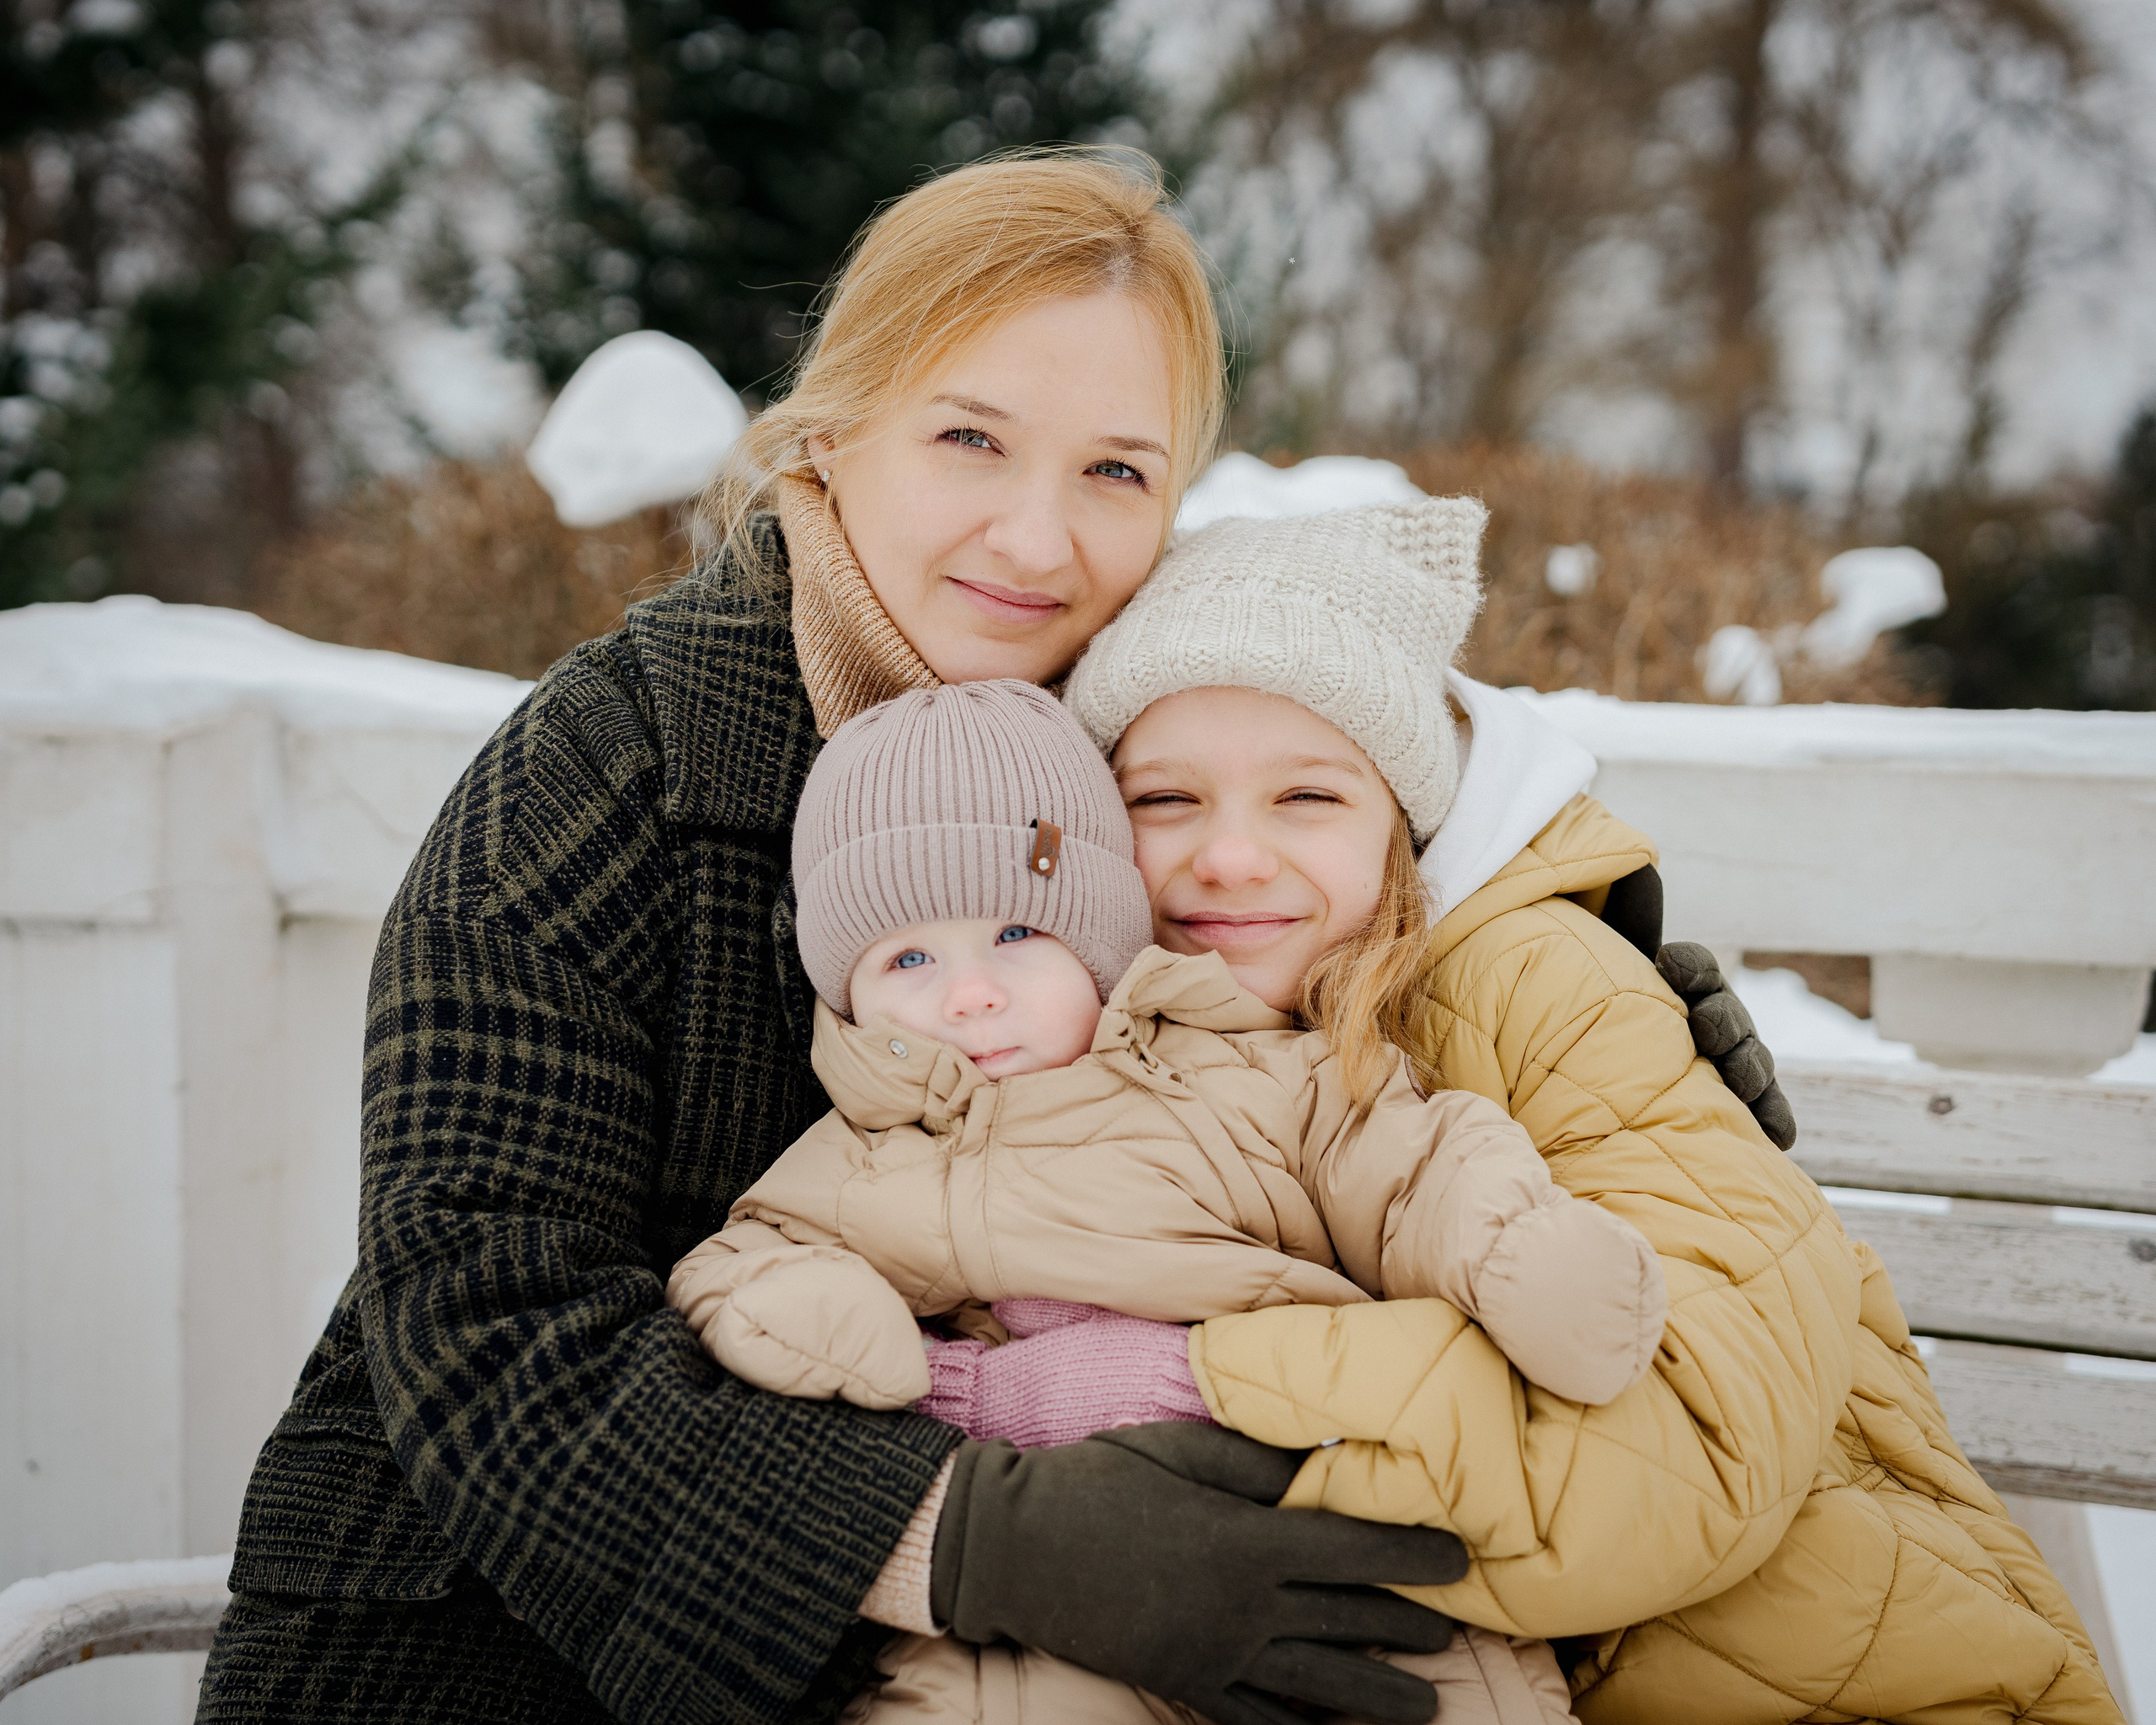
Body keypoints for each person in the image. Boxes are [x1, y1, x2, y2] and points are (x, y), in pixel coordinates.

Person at [196, 148, 1791, 1725]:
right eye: (972, 437)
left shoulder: (1100, 742)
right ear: (832, 432)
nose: (1039, 542)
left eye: (1118, 471)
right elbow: (476, 1310)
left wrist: (1582, 976)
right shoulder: (608, 766)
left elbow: (1315, 934)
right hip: (485, 1637)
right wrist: (962, 1536)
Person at [1043, 502, 2126, 1722]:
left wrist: (1186, 1440)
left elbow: (1703, 1435)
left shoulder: (1541, 978)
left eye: (1306, 798)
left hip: (1852, 1664)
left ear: (1406, 823)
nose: (1229, 858)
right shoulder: (1098, 1041)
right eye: (1164, 801)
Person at [669, 672, 1663, 1723]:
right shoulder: (864, 1154)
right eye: (909, 956)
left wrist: (1511, 1248)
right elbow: (748, 1259)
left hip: (1317, 1523)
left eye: (1016, 933)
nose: (972, 992)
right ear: (847, 992)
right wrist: (821, 1317)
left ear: (1099, 934)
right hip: (1047, 1586)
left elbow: (1409, 1161)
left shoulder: (1245, 1070)